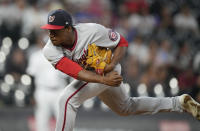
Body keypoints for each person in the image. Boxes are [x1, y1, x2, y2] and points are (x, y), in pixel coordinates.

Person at [40, 9, 200, 131]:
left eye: (55, 30)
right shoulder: (50, 50)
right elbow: (76, 72)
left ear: (68, 28)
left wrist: (112, 64)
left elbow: (121, 42)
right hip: (94, 75)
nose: (51, 34)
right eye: (49, 30)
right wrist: (103, 80)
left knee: (66, 100)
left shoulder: (92, 31)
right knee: (126, 108)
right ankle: (178, 103)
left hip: (109, 69)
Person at [26, 34, 69, 131]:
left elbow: (67, 77)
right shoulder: (35, 56)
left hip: (59, 90)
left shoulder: (62, 56)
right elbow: (32, 76)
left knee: (64, 120)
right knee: (41, 121)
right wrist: (31, 94)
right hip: (42, 90)